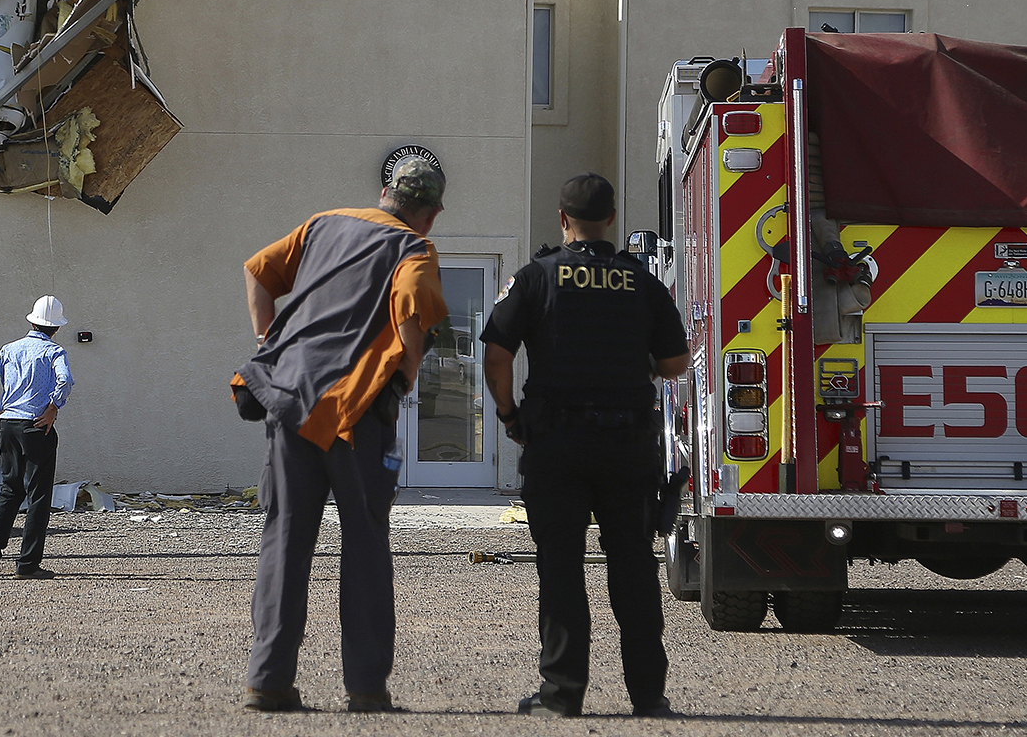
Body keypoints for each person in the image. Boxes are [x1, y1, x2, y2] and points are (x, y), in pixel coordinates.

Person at [231, 157, 448, 714]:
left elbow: (258, 271)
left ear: (383, 192)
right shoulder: (415, 251)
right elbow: (409, 321)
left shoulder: (323, 223)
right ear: (430, 214)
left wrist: (265, 345)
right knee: (366, 542)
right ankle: (366, 689)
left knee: (285, 537)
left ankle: (268, 681)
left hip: (289, 401)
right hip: (354, 413)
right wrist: (405, 376)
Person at [481, 173, 688, 719]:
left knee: (562, 568)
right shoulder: (643, 283)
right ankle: (649, 696)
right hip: (627, 446)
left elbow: (497, 357)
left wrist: (509, 416)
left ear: (562, 218)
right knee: (633, 568)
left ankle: (562, 694)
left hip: (556, 445)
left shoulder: (535, 278)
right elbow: (674, 364)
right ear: (612, 219)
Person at [0, 295, 74, 580]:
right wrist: (54, 407)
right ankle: (27, 563)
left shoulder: (10, 349)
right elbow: (65, 380)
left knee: (10, 488)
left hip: (8, 424)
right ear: (56, 328)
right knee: (39, 495)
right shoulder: (55, 352)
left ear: (31, 321)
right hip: (36, 425)